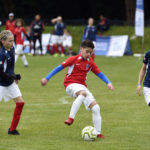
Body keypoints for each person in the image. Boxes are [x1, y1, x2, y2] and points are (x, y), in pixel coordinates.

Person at [41, 40, 114, 138]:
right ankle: (71, 118)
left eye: (90, 52)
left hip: (82, 86)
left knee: (96, 108)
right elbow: (59, 68)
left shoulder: (90, 63)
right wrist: (47, 78)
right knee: (82, 93)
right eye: (87, 51)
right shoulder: (73, 59)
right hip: (70, 84)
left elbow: (100, 74)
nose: (88, 54)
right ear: (81, 49)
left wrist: (108, 83)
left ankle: (98, 133)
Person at [0, 30, 24, 135]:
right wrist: (13, 76)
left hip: (9, 82)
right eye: (9, 41)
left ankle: (12, 129)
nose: (12, 43)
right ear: (2, 41)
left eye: (13, 41)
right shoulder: (1, 54)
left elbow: (9, 68)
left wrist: (14, 76)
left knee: (20, 103)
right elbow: (1, 72)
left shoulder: (12, 49)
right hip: (1, 84)